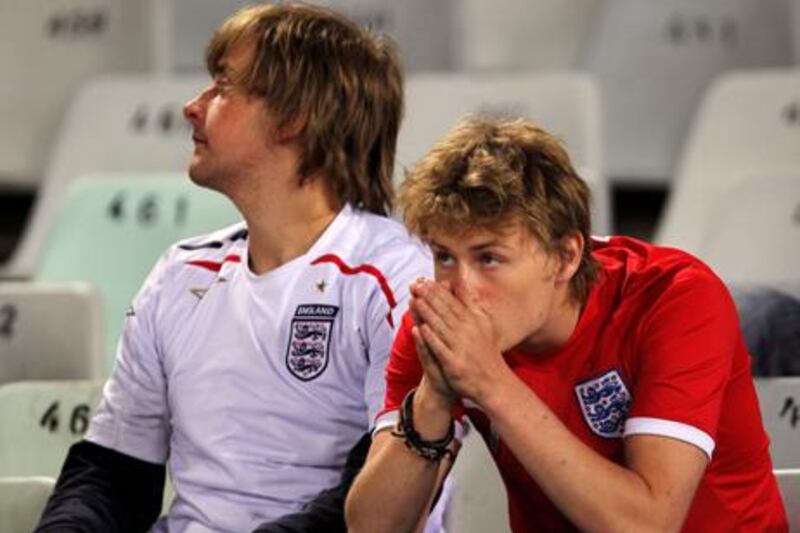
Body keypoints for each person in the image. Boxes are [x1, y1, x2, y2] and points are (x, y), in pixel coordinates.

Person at [36, 3, 439, 532]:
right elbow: (112, 474)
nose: (192, 107)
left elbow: (385, 501)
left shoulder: (396, 278)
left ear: (294, 116)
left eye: (223, 87)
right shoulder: (181, 275)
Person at [345, 116, 789, 532]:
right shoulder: (437, 326)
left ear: (565, 257)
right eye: (444, 256)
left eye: (489, 258)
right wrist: (433, 399)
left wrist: (491, 383)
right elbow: (370, 527)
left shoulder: (676, 299)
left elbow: (647, 525)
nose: (461, 287)